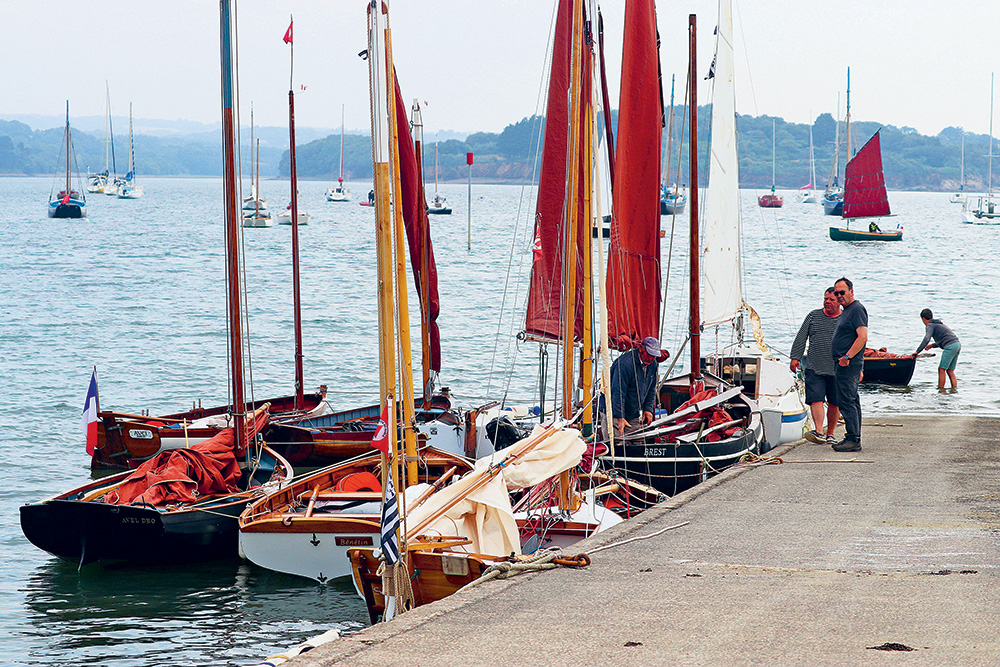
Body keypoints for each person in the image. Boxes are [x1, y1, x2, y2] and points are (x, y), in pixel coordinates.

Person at [790, 287, 842, 444]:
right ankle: (819, 430)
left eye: (831, 299)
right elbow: (801, 337)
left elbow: (857, 342)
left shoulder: (845, 319)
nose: (827, 302)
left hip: (837, 369)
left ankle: (830, 433)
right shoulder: (813, 316)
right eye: (825, 298)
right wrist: (795, 357)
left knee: (834, 403)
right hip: (814, 366)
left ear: (839, 302)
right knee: (816, 399)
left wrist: (859, 368)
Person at [830, 277, 868, 452]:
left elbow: (862, 337)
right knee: (852, 399)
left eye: (842, 292)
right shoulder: (847, 310)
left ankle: (853, 439)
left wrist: (847, 357)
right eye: (836, 293)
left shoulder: (857, 309)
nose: (839, 296)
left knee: (846, 400)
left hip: (848, 363)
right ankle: (853, 436)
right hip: (844, 362)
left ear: (851, 291)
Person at [609, 337, 662, 438]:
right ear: (641, 349)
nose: (651, 358)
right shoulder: (625, 364)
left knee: (634, 442)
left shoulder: (653, 364)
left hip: (632, 412)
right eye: (649, 354)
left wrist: (648, 409)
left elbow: (651, 388)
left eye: (654, 356)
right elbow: (618, 391)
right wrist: (619, 416)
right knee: (617, 443)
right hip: (614, 412)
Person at [915, 308, 961, 391]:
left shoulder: (930, 325)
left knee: (941, 369)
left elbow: (926, 338)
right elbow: (944, 339)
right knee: (950, 370)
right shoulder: (938, 324)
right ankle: (954, 390)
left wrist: (917, 351)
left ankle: (941, 390)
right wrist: (932, 345)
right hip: (957, 344)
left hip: (950, 346)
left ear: (923, 319)